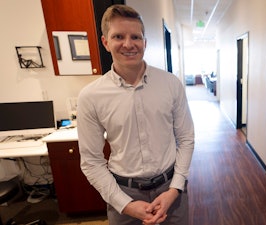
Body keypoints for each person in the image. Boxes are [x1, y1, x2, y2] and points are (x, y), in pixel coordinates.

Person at [77, 4, 195, 225]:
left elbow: (186, 139)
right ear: (105, 42)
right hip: (123, 194)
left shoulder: (171, 84)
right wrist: (125, 204)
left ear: (145, 42)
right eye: (118, 36)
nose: (128, 44)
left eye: (136, 37)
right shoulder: (91, 96)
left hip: (171, 189)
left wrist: (175, 189)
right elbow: (92, 162)